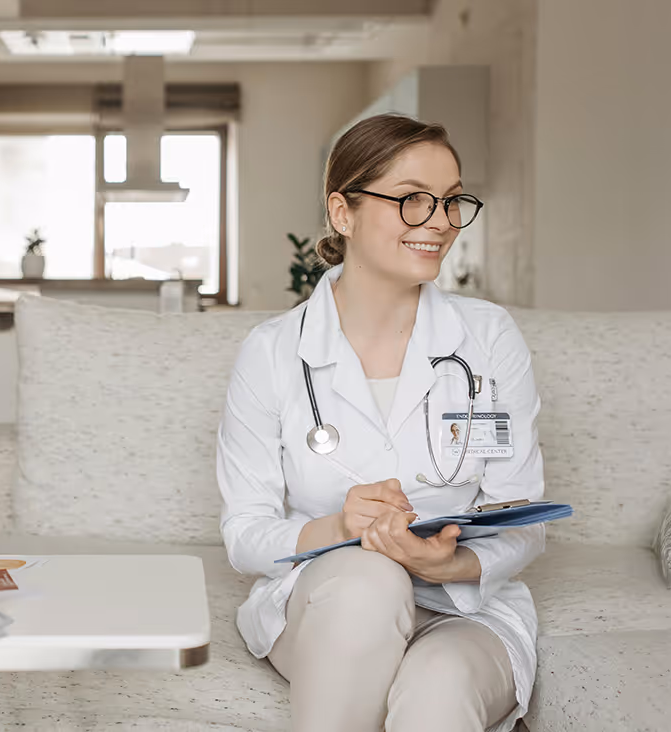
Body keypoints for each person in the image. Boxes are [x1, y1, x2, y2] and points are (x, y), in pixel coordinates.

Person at [217, 114, 545, 732]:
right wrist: (338, 526)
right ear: (343, 213)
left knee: (441, 691)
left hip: (463, 608)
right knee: (370, 581)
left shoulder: (488, 337)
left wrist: (450, 567)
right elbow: (244, 535)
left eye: (451, 201)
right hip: (333, 600)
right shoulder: (272, 352)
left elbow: (523, 519)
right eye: (413, 200)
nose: (441, 222)